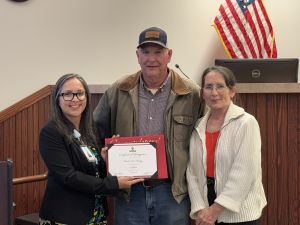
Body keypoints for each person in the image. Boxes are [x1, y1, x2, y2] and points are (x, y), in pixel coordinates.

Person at [93, 27, 204, 225]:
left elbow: (204, 139)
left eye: (158, 52)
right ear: (137, 56)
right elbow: (96, 128)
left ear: (169, 55)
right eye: (145, 52)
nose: (151, 58)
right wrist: (107, 154)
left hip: (173, 192)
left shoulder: (191, 93)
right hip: (130, 193)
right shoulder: (119, 89)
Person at [39, 73, 143, 225]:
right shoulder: (51, 132)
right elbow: (68, 177)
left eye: (80, 93)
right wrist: (113, 184)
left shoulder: (90, 130)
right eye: (67, 94)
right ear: (57, 99)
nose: (75, 99)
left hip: (96, 216)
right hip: (65, 217)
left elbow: (92, 171)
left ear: (86, 97)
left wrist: (107, 159)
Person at [187, 66, 267, 225]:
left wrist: (214, 211)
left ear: (232, 91)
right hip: (205, 210)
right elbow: (191, 171)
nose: (214, 92)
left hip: (239, 213)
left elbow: (244, 172)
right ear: (203, 93)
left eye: (220, 86)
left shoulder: (246, 123)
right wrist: (200, 209)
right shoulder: (198, 126)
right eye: (208, 87)